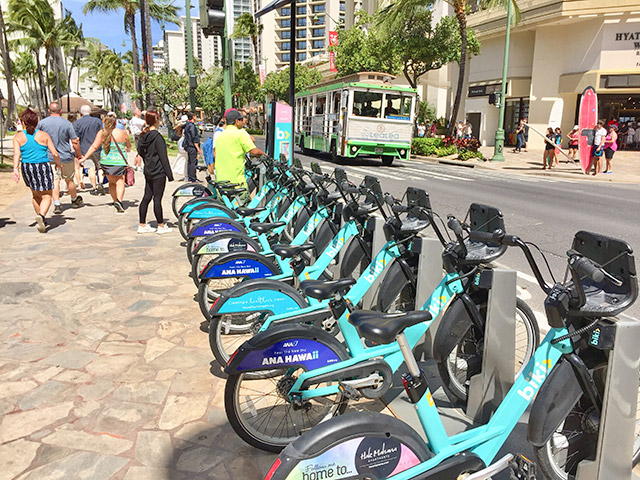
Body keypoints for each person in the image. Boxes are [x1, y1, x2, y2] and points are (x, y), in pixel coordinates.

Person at [12, 108, 61, 233]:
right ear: (36, 121)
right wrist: (58, 164)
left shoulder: (18, 136)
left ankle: (40, 216)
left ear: (23, 121)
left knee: (35, 194)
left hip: (27, 166)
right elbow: (54, 153)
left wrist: (15, 169)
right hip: (42, 166)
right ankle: (42, 216)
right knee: (47, 195)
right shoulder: (43, 135)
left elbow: (17, 154)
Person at [37, 102, 83, 214]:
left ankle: (57, 203)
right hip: (65, 156)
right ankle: (73, 199)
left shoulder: (42, 123)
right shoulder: (67, 124)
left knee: (55, 181)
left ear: (49, 111)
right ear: (61, 111)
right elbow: (75, 141)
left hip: (49, 156)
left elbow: (37, 138)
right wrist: (79, 155)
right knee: (69, 179)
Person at [214, 109, 266, 205]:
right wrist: (264, 154)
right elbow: (254, 151)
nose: (244, 121)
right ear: (237, 121)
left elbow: (216, 153)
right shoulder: (240, 133)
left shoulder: (220, 136)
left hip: (221, 181)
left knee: (226, 210)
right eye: (242, 119)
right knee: (246, 210)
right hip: (236, 183)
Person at [80, 115, 131, 213]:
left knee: (111, 182)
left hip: (106, 161)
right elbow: (128, 147)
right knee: (120, 181)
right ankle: (119, 201)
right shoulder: (122, 133)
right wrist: (126, 148)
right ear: (115, 123)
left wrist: (85, 158)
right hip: (119, 161)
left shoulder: (102, 133)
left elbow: (94, 147)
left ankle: (115, 200)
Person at [136, 110, 174, 234]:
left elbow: (140, 151)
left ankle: (142, 224)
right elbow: (163, 157)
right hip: (158, 171)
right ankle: (161, 225)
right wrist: (169, 174)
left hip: (148, 170)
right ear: (157, 120)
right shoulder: (157, 137)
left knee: (147, 196)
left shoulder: (143, 136)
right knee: (157, 199)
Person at [74, 105, 106, 196]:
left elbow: (76, 139)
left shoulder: (77, 123)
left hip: (85, 150)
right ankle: (101, 184)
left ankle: (94, 187)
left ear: (81, 113)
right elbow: (102, 133)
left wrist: (78, 153)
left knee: (90, 168)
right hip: (98, 148)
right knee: (100, 167)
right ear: (90, 112)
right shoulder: (97, 121)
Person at [183, 112, 203, 182]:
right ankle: (193, 177)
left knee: (190, 162)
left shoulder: (187, 125)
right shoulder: (192, 126)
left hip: (188, 145)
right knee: (193, 163)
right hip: (192, 146)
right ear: (193, 117)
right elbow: (194, 137)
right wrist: (198, 148)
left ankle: (190, 176)